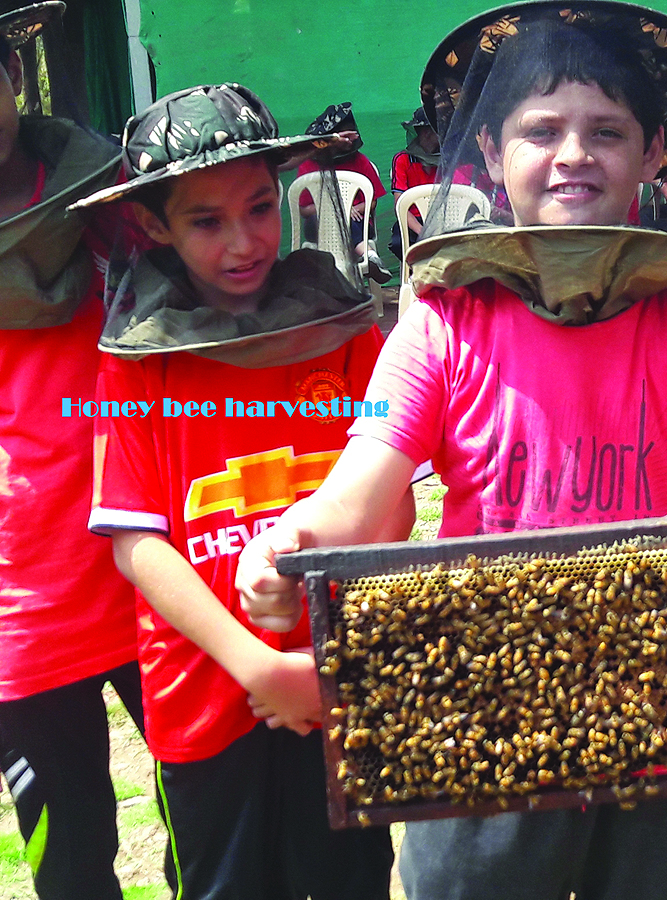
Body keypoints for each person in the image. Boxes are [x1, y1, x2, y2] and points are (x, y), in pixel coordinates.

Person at [235, 4, 667, 899]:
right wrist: (292, 539)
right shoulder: (440, 321)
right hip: (483, 695)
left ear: (652, 153)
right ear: (488, 153)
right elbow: (360, 485)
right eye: (540, 129)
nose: (573, 154)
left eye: (606, 131)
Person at [71, 82, 398, 898]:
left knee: (352, 880)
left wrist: (319, 661)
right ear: (151, 224)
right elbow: (137, 543)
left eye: (259, 207)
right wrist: (258, 666)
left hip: (339, 683)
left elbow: (392, 503)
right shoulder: (134, 363)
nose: (245, 241)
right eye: (205, 220)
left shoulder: (348, 330)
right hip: (206, 698)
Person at [0, 4, 147, 898]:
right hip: (20, 597)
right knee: (71, 862)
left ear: (12, 77)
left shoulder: (115, 201)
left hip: (153, 562)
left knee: (202, 832)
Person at [299, 101, 392, 282]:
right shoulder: (308, 164)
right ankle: (368, 255)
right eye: (345, 135)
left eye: (353, 134)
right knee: (339, 216)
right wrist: (338, 209)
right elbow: (304, 210)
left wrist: (354, 209)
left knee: (349, 219)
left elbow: (372, 200)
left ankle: (371, 261)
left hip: (358, 224)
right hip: (319, 228)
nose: (351, 140)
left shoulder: (360, 161)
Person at [389, 105, 440, 255]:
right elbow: (400, 205)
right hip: (413, 221)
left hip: (443, 220)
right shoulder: (402, 160)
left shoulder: (449, 159)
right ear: (425, 132)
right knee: (399, 244)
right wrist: (422, 231)